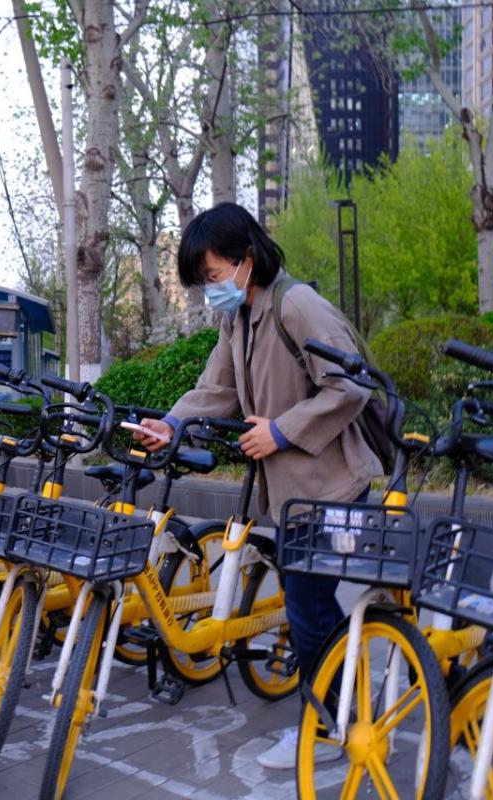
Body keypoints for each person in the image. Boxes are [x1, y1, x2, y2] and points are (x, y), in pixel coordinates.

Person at [134, 202, 382, 769]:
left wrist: (281, 430)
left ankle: (325, 731)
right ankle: (338, 711)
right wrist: (171, 423)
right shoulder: (238, 315)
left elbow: (351, 386)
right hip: (296, 492)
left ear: (247, 259)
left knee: (310, 612)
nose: (209, 288)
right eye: (203, 280)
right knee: (311, 610)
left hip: (332, 486)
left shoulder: (297, 305)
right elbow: (215, 386)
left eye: (213, 275)